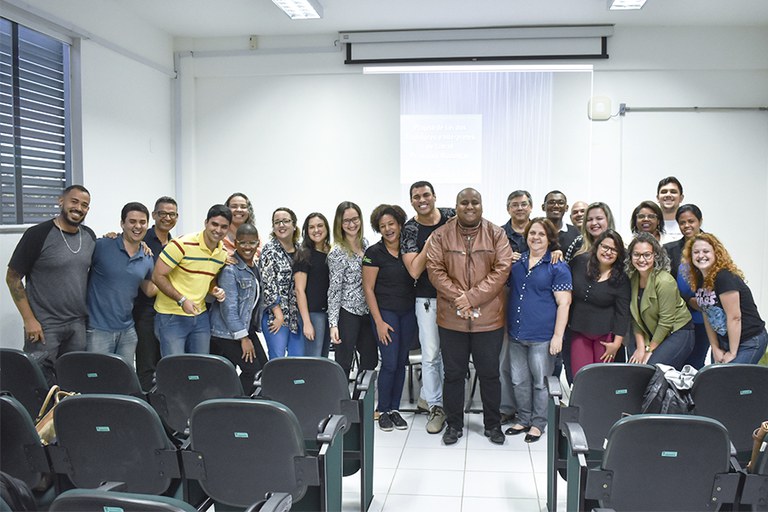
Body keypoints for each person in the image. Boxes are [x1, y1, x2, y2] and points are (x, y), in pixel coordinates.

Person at [426, 188, 512, 446]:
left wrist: (471, 298)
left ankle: (492, 425)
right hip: (452, 318)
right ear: (456, 206)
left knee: (489, 374)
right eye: (464, 202)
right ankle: (454, 425)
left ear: (482, 205)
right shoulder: (440, 235)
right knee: (453, 374)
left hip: (489, 319)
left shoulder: (497, 233)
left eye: (475, 202)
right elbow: (434, 270)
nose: (470, 206)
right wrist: (460, 298)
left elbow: (502, 269)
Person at [6, 185, 96, 381]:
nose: (78, 208)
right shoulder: (37, 234)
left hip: (77, 324)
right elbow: (12, 277)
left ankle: (66, 412)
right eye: (74, 201)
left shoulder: (89, 236)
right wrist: (29, 319)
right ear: (61, 201)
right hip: (44, 325)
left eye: (85, 205)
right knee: (39, 381)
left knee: (73, 379)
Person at [506, 218, 572, 443]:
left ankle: (538, 423)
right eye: (532, 233)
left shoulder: (557, 265)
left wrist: (558, 336)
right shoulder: (517, 262)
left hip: (542, 336)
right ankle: (523, 419)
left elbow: (564, 303)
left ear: (550, 238)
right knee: (518, 381)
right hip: (516, 333)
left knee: (540, 382)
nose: (535, 237)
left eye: (541, 234)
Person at [401, 181, 454, 434]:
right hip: (426, 300)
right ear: (411, 201)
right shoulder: (410, 229)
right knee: (431, 355)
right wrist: (432, 240)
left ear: (434, 196)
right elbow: (414, 269)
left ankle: (436, 398)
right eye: (416, 197)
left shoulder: (451, 215)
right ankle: (436, 406)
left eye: (425, 195)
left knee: (451, 355)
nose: (421, 200)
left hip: (455, 298)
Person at [363, 205, 418, 432]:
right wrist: (379, 322)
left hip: (408, 313)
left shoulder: (409, 249)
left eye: (391, 224)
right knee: (389, 362)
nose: (387, 229)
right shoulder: (374, 253)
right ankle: (383, 410)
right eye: (382, 226)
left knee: (402, 362)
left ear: (399, 224)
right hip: (385, 313)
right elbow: (368, 289)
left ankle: (395, 410)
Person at [85, 202, 157, 365]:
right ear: (122, 223)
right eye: (132, 221)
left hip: (127, 330)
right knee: (97, 379)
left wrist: (174, 276)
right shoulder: (102, 245)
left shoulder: (146, 257)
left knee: (124, 380)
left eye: (142, 222)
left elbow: (149, 290)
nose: (137, 226)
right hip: (98, 329)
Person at [152, 204, 229, 356]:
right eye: (214, 224)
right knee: (175, 369)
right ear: (206, 222)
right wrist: (181, 299)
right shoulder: (181, 244)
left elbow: (209, 278)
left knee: (200, 367)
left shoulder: (222, 253)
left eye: (223, 227)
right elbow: (157, 276)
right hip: (171, 315)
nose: (218, 230)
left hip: (200, 317)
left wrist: (213, 289)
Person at [684, 233, 767, 364]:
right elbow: (707, 313)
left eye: (706, 251)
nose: (701, 256)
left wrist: (732, 353)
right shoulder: (700, 280)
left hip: (749, 340)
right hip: (724, 342)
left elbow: (735, 317)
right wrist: (715, 347)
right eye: (696, 252)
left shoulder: (724, 277)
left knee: (730, 380)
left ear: (716, 253)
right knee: (716, 380)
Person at [209, 223, 264, 393]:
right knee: (252, 371)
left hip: (243, 328)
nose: (247, 247)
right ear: (235, 243)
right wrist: (244, 339)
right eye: (242, 243)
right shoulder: (230, 269)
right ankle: (237, 404)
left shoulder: (254, 267)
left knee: (265, 369)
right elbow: (228, 309)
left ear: (257, 243)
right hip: (226, 332)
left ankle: (240, 401)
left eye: (252, 243)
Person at [626, 232, 694, 368]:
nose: (641, 259)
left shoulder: (664, 281)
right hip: (651, 332)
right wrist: (640, 347)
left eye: (647, 255)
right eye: (636, 255)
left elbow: (666, 321)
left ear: (655, 256)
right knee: (636, 366)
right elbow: (635, 317)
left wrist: (649, 350)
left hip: (678, 332)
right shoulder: (632, 278)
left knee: (651, 366)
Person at [568, 230, 630, 377]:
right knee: (581, 377)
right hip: (579, 332)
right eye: (605, 247)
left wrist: (616, 344)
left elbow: (623, 313)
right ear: (597, 246)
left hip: (605, 337)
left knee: (602, 379)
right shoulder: (579, 262)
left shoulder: (622, 279)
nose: (608, 252)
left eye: (614, 250)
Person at [328, 201, 378, 378]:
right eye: (346, 221)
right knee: (344, 362)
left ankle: (361, 401)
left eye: (355, 219)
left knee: (370, 359)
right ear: (339, 224)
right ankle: (340, 402)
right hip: (347, 312)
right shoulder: (337, 252)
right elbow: (334, 290)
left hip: (366, 310)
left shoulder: (365, 244)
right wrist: (333, 324)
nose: (351, 224)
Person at [133, 196, 177, 391]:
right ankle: (145, 410)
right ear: (154, 215)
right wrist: (172, 276)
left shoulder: (175, 244)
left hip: (167, 312)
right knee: (146, 364)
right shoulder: (142, 240)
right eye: (162, 214)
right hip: (146, 312)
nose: (167, 218)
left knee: (165, 364)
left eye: (172, 214)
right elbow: (149, 290)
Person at [664, 204, 709, 368]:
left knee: (697, 361)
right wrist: (688, 299)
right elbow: (667, 283)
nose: (687, 226)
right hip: (678, 317)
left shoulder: (712, 246)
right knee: (677, 362)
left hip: (705, 317)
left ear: (700, 221)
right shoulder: (670, 250)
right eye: (682, 222)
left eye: (691, 221)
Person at [259, 207, 303, 359]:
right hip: (276, 315)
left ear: (294, 224)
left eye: (285, 221)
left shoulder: (301, 249)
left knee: (297, 359)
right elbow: (267, 284)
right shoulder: (269, 250)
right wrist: (278, 315)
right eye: (277, 222)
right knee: (277, 359)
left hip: (297, 316)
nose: (281, 225)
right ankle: (275, 384)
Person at [294, 212, 332, 358]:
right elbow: (299, 290)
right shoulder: (304, 254)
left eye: (320, 226)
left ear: (327, 228)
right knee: (313, 360)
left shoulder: (331, 252)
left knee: (323, 359)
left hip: (328, 314)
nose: (316, 230)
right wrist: (307, 322)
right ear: (306, 231)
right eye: (312, 227)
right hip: (312, 314)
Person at [541, 190, 580, 256]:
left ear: (566, 208)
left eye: (561, 203)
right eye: (551, 202)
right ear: (543, 207)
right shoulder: (535, 231)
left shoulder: (576, 233)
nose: (556, 206)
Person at [502, 190, 533, 255]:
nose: (520, 208)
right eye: (515, 205)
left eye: (524, 204)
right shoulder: (499, 234)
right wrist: (506, 258)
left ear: (531, 207)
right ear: (508, 209)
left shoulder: (542, 232)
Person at [657, 176, 684, 244]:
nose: (668, 195)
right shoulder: (651, 225)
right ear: (657, 198)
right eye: (664, 192)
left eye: (673, 192)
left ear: (681, 198)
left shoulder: (688, 225)